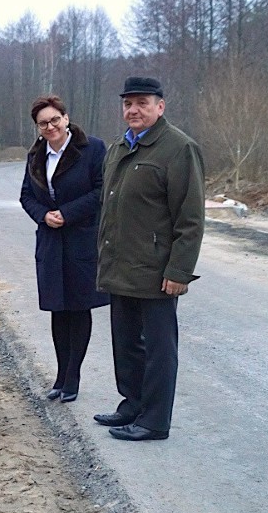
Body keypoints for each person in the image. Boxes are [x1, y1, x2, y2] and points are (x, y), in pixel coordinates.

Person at [94, 77, 205, 441]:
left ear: (161, 106)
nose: (133, 110)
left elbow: (190, 219)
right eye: (128, 103)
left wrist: (179, 271)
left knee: (159, 350)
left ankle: (154, 420)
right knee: (125, 343)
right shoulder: (118, 148)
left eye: (142, 103)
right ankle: (132, 405)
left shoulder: (178, 149)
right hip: (120, 266)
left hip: (157, 273)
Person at [20, 95, 109, 403]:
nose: (50, 127)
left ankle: (73, 378)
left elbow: (102, 190)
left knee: (78, 307)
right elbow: (26, 196)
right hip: (50, 241)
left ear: (66, 118)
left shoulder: (92, 149)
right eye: (43, 123)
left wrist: (68, 213)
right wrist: (43, 215)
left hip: (82, 240)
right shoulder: (36, 155)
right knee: (58, 309)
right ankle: (60, 376)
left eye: (54, 120)